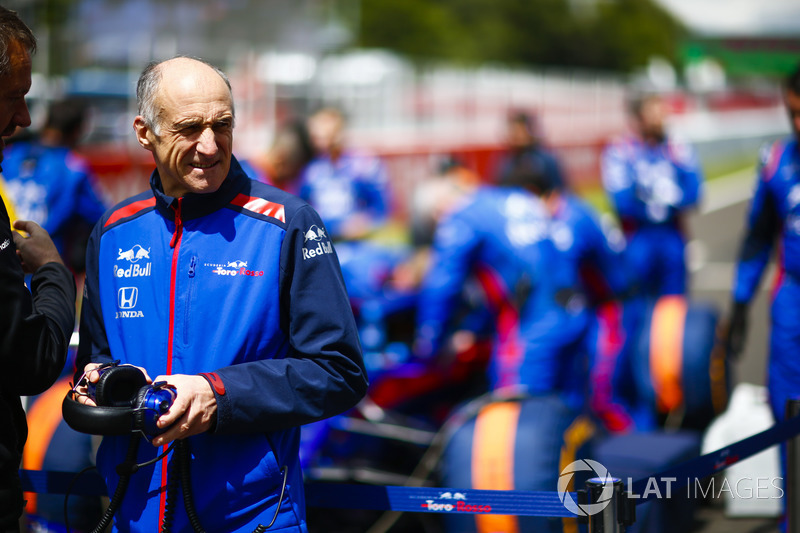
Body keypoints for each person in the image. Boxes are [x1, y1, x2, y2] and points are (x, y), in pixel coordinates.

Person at [74, 57, 367, 532]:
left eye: (222, 125)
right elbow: (98, 359)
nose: (209, 146)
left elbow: (340, 371)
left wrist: (218, 395)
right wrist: (97, 381)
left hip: (252, 514)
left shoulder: (288, 222)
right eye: (190, 128)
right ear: (144, 131)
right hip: (134, 509)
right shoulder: (112, 231)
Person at [0, 7, 77, 532]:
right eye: (14, 95)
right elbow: (31, 357)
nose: (25, 118)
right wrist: (52, 270)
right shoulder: (74, 169)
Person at [727, 63, 800, 428]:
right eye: (794, 113)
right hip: (792, 300)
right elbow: (757, 239)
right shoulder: (776, 162)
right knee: (786, 408)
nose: (799, 124)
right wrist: (740, 304)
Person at [600, 93, 703, 298]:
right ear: (638, 118)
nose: (660, 120)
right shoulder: (620, 150)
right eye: (653, 114)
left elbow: (695, 192)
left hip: (672, 235)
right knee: (638, 304)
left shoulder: (677, 146)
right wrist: (661, 206)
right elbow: (621, 201)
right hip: (637, 237)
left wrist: (657, 203)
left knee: (674, 305)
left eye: (662, 114)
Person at [2, 98, 108, 272]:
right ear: (77, 131)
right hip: (44, 274)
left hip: (6, 269)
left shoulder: (8, 156)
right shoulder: (74, 167)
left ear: (46, 122)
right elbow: (103, 221)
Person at [298, 107, 391, 241]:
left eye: (328, 135)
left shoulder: (364, 165)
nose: (322, 142)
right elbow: (299, 206)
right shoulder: (309, 168)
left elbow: (382, 207)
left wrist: (364, 222)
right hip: (318, 239)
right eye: (316, 137)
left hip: (358, 242)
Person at [495, 110, 566, 190]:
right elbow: (496, 190)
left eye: (520, 131)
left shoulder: (546, 160)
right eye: (514, 131)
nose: (517, 135)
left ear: (530, 132)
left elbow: (559, 192)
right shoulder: (505, 160)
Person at [241, 119, 313, 195]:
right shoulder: (242, 177)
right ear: (281, 158)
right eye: (295, 171)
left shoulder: (295, 188)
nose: (297, 176)